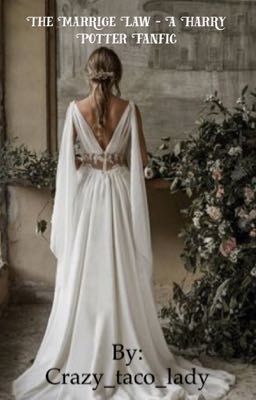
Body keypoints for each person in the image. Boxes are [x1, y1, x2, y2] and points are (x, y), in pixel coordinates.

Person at [13, 46, 235, 400]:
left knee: (86, 268)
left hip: (87, 195)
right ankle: (125, 341)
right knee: (120, 264)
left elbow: (65, 166)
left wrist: (88, 161)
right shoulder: (129, 109)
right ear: (117, 75)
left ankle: (83, 346)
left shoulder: (74, 111)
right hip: (116, 191)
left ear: (89, 74)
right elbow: (142, 161)